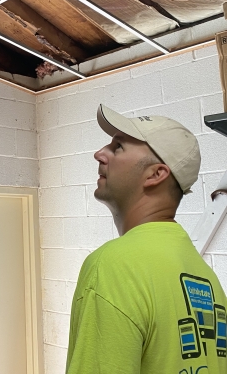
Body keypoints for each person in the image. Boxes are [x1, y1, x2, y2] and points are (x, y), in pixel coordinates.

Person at [66, 104, 227, 374]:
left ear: (156, 174)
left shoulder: (114, 266)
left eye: (118, 147)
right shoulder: (206, 278)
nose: (99, 154)